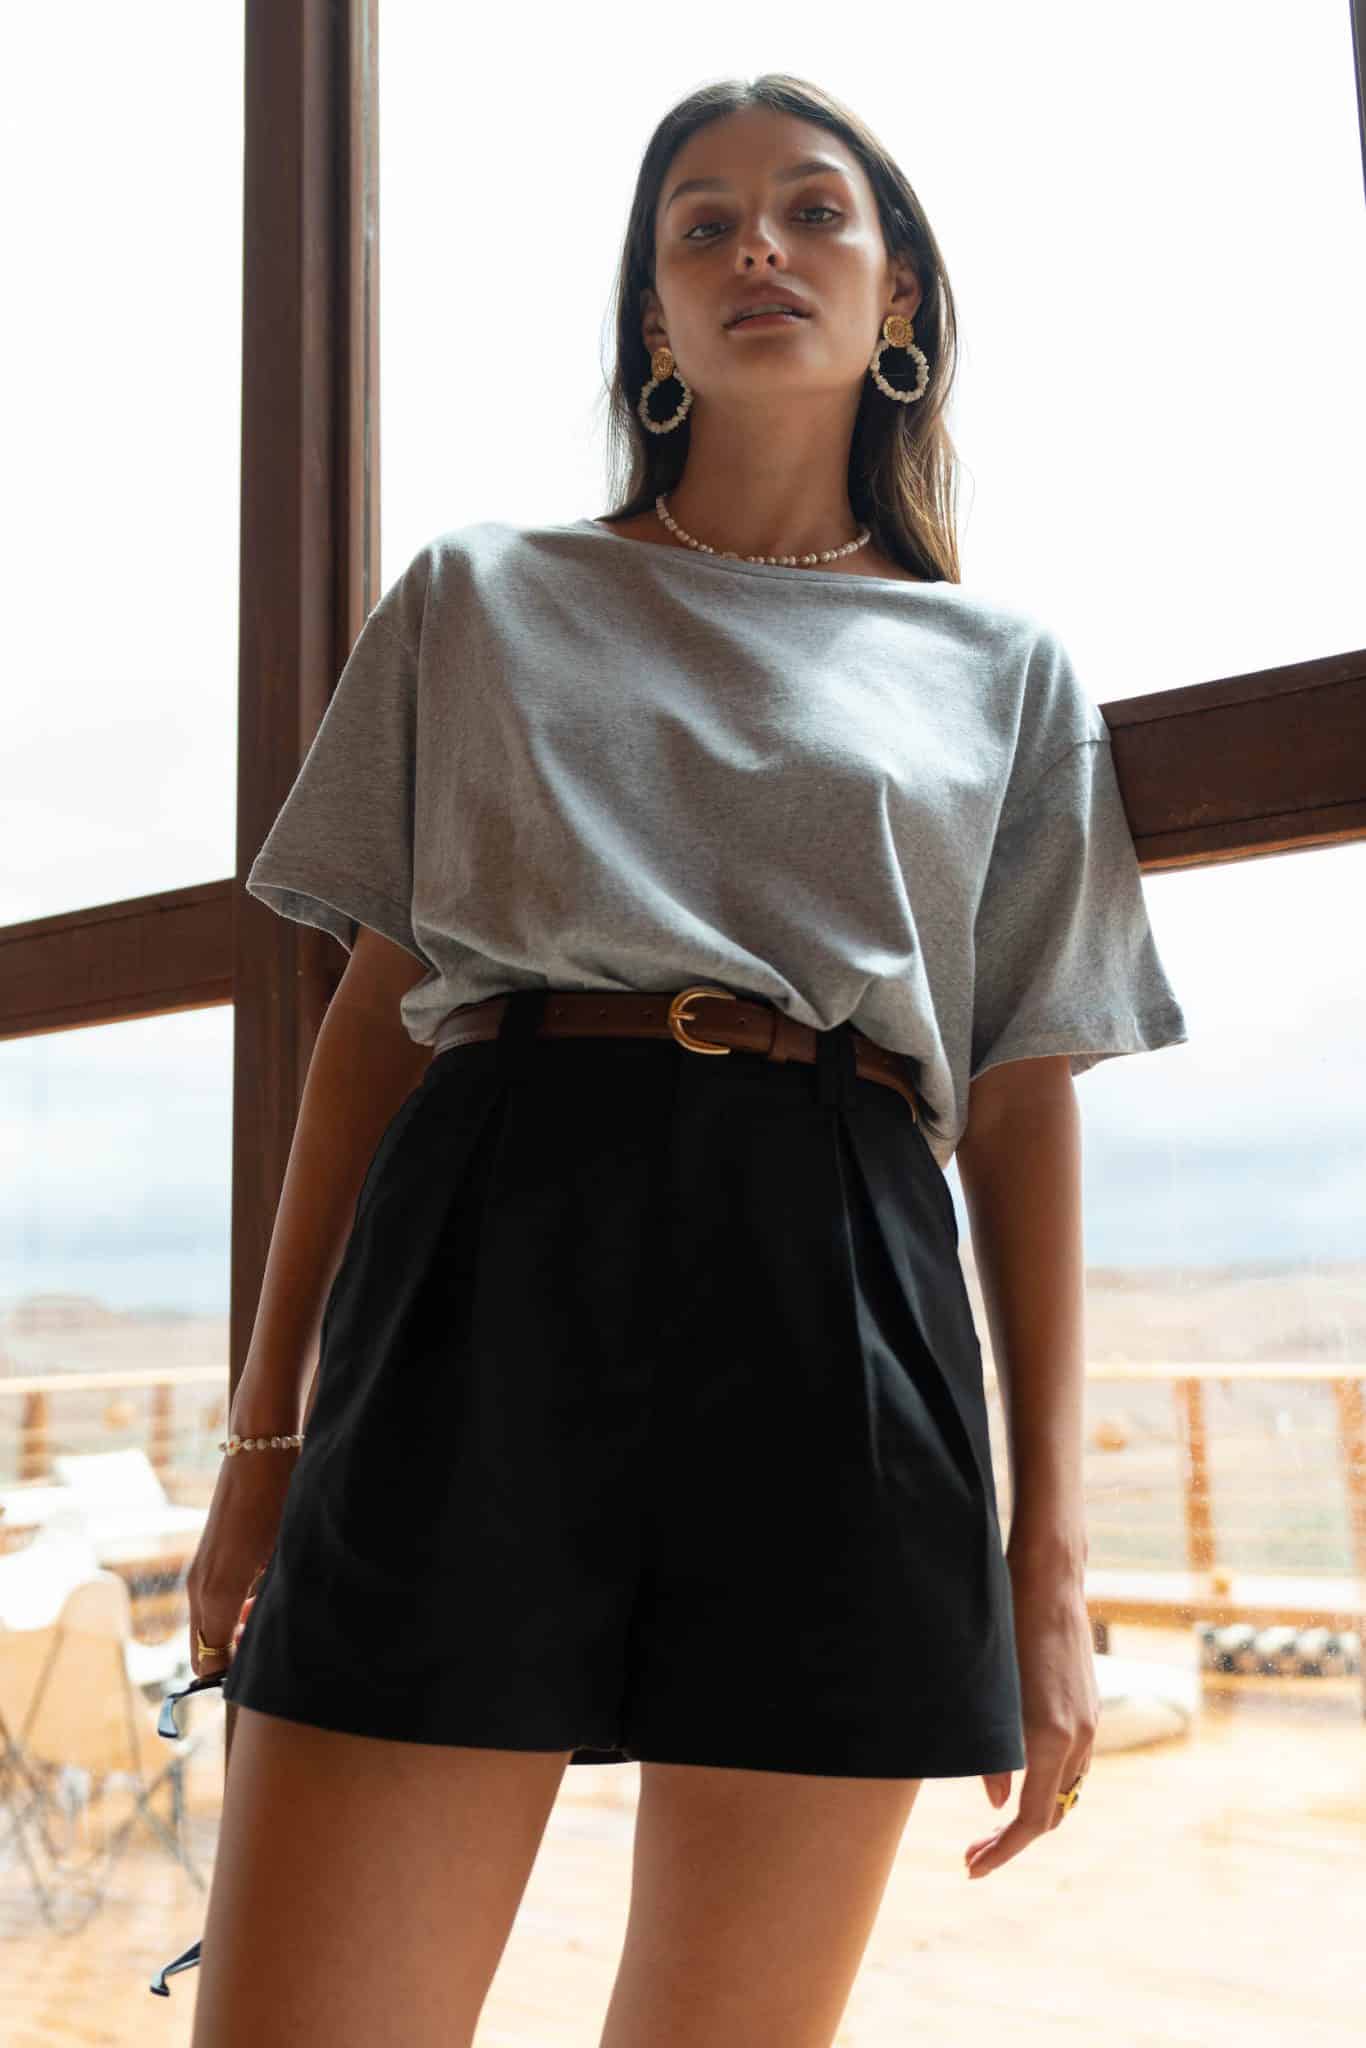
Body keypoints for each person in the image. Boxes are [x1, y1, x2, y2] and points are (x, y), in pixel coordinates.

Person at [185, 74, 1187, 2048]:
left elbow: (1019, 1092)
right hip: (487, 1254)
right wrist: (261, 1442)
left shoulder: (1003, 669)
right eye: (700, 225)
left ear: (897, 296)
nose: (757, 250)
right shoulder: (482, 596)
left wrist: (1047, 1556)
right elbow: (374, 1022)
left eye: (812, 212)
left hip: (840, 1286)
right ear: (652, 316)